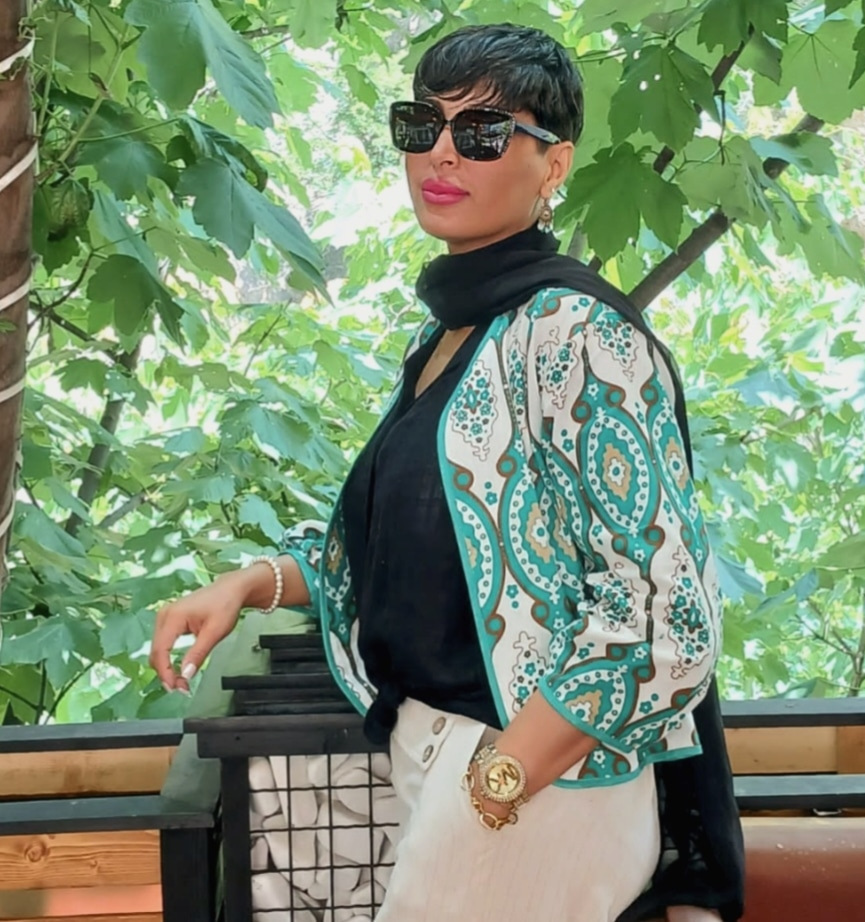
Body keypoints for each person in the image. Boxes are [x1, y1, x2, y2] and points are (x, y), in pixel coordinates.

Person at [150, 23, 745, 922]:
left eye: (484, 132)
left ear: (553, 165)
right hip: (450, 762)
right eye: (421, 124)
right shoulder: (452, 333)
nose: (441, 153)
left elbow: (667, 617)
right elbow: (411, 555)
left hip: (539, 784)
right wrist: (251, 583)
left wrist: (499, 780)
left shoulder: (577, 335)